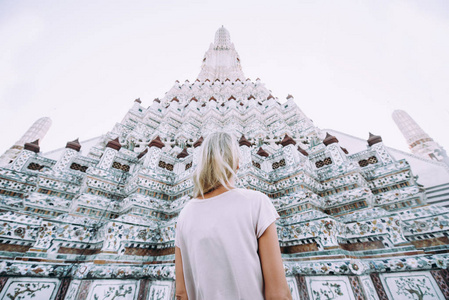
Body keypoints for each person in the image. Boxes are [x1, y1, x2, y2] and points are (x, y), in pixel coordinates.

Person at [175, 132, 292, 300]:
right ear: (237, 163)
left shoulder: (185, 215)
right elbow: (278, 294)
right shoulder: (256, 203)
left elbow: (181, 294)